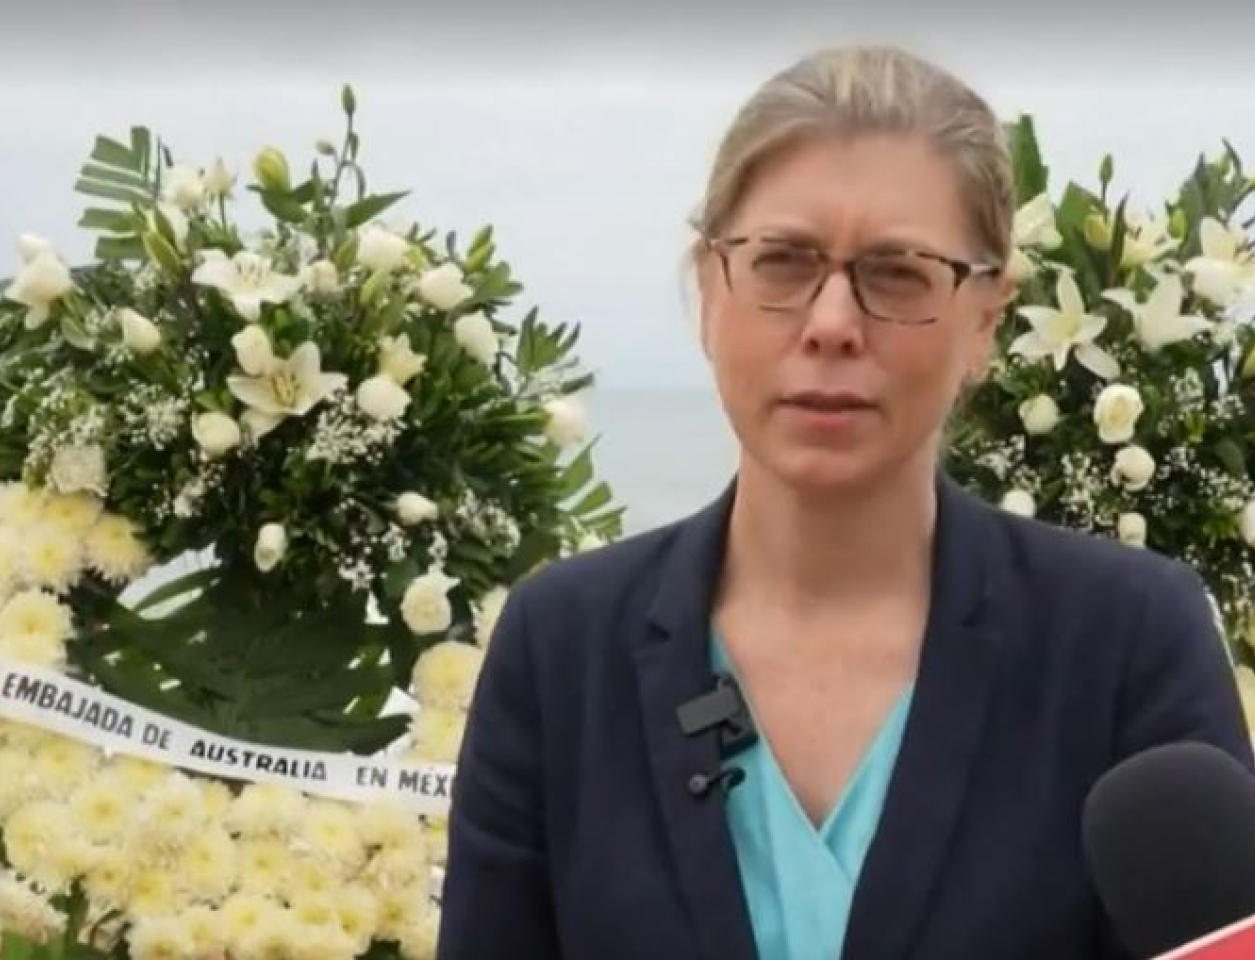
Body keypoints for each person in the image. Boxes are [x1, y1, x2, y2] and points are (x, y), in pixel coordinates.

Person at [435, 44, 1255, 960]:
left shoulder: (1128, 645)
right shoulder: (564, 649)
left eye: (898, 273)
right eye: (783, 262)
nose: (831, 324)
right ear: (710, 288)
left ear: (986, 317)